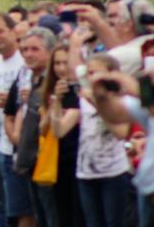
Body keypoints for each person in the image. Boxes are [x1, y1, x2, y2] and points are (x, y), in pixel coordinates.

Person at [51, 54, 130, 227]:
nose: (89, 78)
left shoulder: (120, 100)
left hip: (113, 173)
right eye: (87, 74)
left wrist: (96, 103)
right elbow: (59, 130)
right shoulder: (82, 100)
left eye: (93, 73)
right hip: (85, 173)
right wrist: (57, 101)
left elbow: (120, 132)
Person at [0, 13, 32, 227]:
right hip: (3, 146)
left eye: (0, 31)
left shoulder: (25, 60)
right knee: (8, 210)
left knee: (26, 213)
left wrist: (12, 102)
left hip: (25, 146)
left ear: (12, 32)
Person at [5, 27, 57, 227]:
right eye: (24, 49)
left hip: (50, 163)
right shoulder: (24, 76)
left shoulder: (55, 81)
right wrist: (17, 139)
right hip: (28, 162)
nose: (28, 54)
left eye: (35, 49)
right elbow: (10, 112)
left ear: (50, 51)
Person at [43, 44, 83, 227]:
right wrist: (55, 102)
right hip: (59, 160)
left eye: (65, 63)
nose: (61, 68)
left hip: (79, 158)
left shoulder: (83, 91)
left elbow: (62, 128)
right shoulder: (52, 91)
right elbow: (47, 128)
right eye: (57, 63)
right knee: (62, 214)